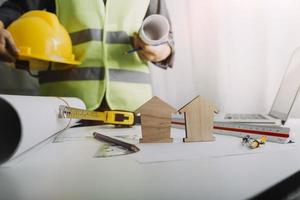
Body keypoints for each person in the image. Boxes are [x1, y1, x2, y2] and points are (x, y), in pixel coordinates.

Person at [0, 0, 174, 112]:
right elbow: (15, 7)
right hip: (66, 107)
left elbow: (168, 42)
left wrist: (160, 51)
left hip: (134, 107)